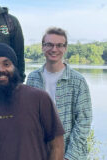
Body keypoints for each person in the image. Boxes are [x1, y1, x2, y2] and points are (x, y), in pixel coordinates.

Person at [0, 43, 65, 160]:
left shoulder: (39, 98)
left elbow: (57, 145)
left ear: (15, 67)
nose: (1, 70)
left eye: (6, 64)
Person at [26, 27, 92, 160]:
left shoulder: (78, 81)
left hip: (70, 153)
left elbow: (84, 122)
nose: (54, 49)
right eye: (49, 44)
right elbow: (29, 117)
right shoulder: (33, 78)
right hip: (40, 151)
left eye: (59, 45)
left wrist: (69, 156)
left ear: (65, 48)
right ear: (43, 47)